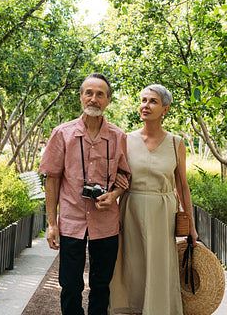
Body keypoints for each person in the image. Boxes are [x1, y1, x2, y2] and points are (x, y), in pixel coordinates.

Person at [38, 73, 131, 315]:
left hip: (106, 222)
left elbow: (125, 176)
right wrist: (52, 223)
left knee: (101, 285)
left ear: (108, 100)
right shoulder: (62, 133)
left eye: (100, 94)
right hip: (71, 221)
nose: (94, 98)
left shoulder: (118, 136)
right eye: (89, 93)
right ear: (81, 97)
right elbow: (52, 179)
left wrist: (113, 195)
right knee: (70, 284)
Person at [109, 84, 198, 315]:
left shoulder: (176, 142)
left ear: (165, 109)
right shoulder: (125, 139)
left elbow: (183, 187)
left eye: (153, 101)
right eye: (143, 100)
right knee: (132, 265)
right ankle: (131, 308)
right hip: (131, 210)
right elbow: (118, 178)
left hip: (163, 213)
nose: (145, 105)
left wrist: (192, 227)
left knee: (159, 266)